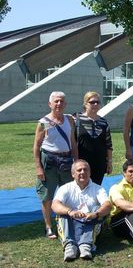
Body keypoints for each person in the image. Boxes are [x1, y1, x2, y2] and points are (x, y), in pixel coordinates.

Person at [33, 91, 78, 239]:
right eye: (56, 101)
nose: (59, 104)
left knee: (69, 193)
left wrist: (76, 162)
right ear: (50, 104)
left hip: (66, 161)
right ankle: (48, 227)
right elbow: (36, 146)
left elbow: (73, 142)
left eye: (61, 101)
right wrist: (38, 167)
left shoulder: (69, 120)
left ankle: (69, 221)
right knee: (47, 195)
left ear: (65, 104)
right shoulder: (43, 122)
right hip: (49, 162)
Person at [51, 160, 111, 261]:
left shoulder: (98, 189)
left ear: (90, 173)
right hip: (71, 224)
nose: (82, 172)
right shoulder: (65, 188)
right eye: (79, 170)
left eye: (85, 170)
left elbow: (108, 205)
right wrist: (70, 211)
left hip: (89, 224)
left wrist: (95, 214)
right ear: (73, 174)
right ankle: (70, 246)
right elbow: (54, 205)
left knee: (98, 210)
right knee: (62, 213)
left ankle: (86, 245)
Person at [75, 91, 113, 185]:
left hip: (99, 163)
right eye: (92, 102)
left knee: (96, 189)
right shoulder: (76, 119)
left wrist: (109, 162)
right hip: (81, 162)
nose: (95, 104)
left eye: (97, 102)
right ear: (85, 104)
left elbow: (108, 144)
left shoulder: (104, 122)